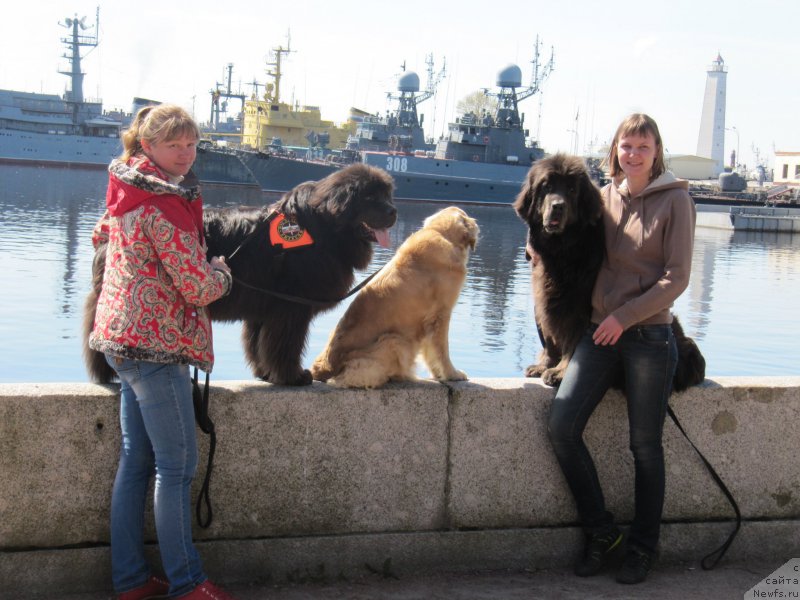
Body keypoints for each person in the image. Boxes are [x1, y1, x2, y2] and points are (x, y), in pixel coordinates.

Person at [89, 104, 235, 600]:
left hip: (118, 340)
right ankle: (187, 583)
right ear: (148, 145)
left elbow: (100, 236)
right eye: (174, 145)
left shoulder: (126, 188)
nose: (186, 154)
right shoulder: (164, 204)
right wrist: (222, 270)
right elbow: (197, 288)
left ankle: (130, 580)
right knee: (176, 469)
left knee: (136, 461)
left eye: (192, 144)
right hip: (155, 348)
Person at [547, 113, 696, 584]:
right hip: (598, 333)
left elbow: (678, 278)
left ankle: (642, 549)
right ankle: (602, 532)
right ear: (614, 150)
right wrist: (541, 249)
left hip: (649, 336)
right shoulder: (604, 198)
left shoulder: (676, 201)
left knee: (645, 447)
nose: (632, 154)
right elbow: (576, 246)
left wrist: (624, 317)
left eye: (642, 147)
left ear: (657, 153)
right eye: (625, 146)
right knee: (562, 427)